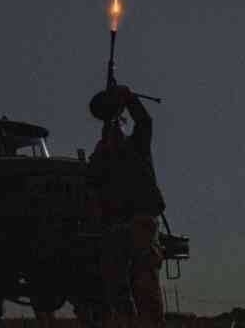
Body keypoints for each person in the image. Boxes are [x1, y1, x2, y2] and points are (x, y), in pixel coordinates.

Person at [88, 85, 166, 328]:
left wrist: (129, 98)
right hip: (114, 227)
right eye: (110, 128)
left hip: (140, 221)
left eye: (118, 125)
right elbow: (92, 182)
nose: (115, 130)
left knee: (145, 283)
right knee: (116, 287)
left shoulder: (137, 146)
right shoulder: (102, 157)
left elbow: (144, 120)